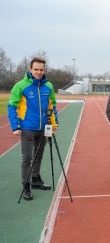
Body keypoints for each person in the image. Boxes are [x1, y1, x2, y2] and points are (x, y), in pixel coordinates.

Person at [8, 57, 59, 201]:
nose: (38, 72)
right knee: (27, 158)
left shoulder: (48, 86)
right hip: (27, 128)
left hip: (43, 128)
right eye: (36, 69)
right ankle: (26, 185)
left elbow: (52, 106)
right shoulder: (21, 85)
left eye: (41, 69)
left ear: (44, 70)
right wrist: (15, 126)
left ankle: (36, 179)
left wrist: (54, 123)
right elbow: (12, 106)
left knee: (38, 155)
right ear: (30, 69)